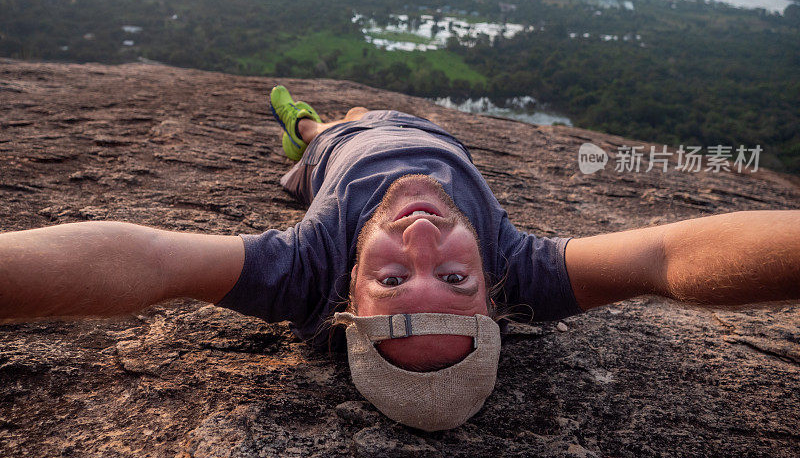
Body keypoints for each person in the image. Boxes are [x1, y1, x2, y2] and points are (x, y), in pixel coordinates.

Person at [1, 85, 798, 431]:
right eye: (454, 278)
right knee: (370, 110)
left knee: (329, 126)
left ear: (346, 295)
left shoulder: (299, 275)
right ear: (493, 297)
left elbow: (145, 263)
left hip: (341, 154)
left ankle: (302, 129)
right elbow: (669, 255)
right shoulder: (527, 273)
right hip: (432, 134)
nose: (422, 238)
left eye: (391, 279)